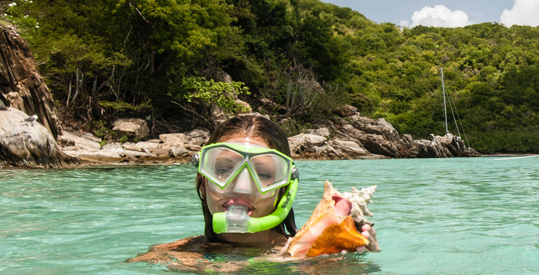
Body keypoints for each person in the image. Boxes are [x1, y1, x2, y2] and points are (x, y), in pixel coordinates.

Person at [128, 114, 379, 272]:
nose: (241, 187)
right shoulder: (172, 254)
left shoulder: (315, 257)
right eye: (224, 169)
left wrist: (354, 263)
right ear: (202, 183)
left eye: (264, 173)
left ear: (285, 190)